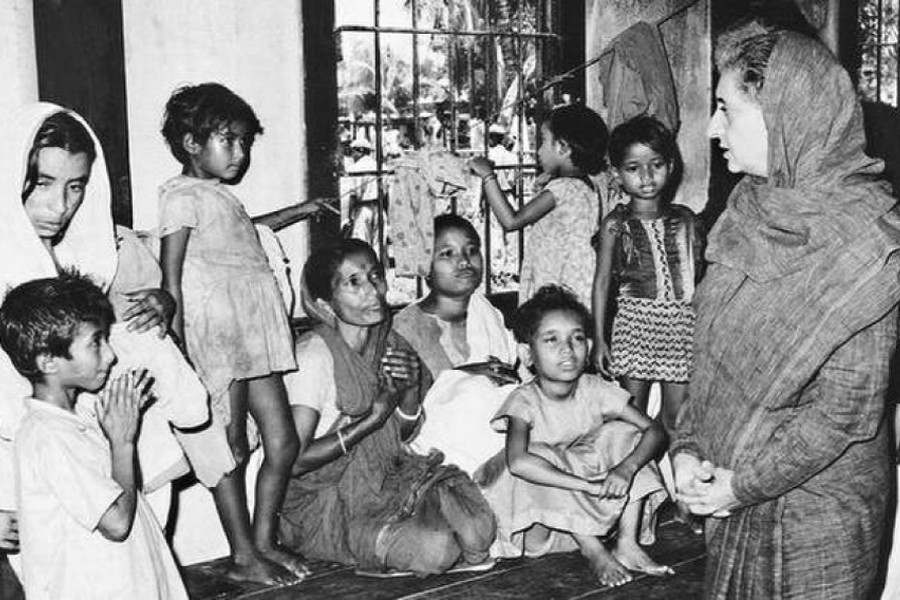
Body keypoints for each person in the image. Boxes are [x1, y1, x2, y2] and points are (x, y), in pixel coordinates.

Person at [671, 21, 900, 599]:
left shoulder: (869, 246)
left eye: (727, 110)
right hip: (733, 486)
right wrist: (688, 448)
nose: (714, 128)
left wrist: (741, 485)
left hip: (817, 514)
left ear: (786, 115)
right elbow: (710, 352)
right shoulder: (746, 210)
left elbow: (844, 413)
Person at [0, 103, 236, 587]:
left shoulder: (87, 255)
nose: (59, 206)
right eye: (42, 183)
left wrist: (159, 306)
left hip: (105, 451)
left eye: (75, 186)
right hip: (24, 472)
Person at [159, 82, 313, 584]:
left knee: (283, 441)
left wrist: (302, 211)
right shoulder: (179, 197)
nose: (240, 153)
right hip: (219, 340)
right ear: (190, 143)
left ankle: (264, 541)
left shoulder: (220, 197)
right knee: (231, 448)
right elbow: (171, 276)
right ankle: (242, 554)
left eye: (245, 142)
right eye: (229, 140)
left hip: (255, 337)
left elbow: (247, 237)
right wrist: (178, 344)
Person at [279, 239, 497, 577]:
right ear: (324, 303)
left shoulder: (389, 341)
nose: (372, 291)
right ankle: (385, 548)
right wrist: (372, 419)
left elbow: (404, 432)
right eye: (354, 283)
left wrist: (408, 395)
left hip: (386, 480)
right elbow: (291, 462)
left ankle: (401, 542)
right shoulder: (314, 356)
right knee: (437, 550)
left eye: (375, 276)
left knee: (479, 528)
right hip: (325, 504)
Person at [0, 273, 187, 600]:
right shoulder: (48, 435)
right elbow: (116, 523)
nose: (111, 355)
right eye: (95, 343)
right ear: (48, 361)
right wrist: (122, 441)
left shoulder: (76, 420)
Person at [479, 285, 669, 587]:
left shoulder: (595, 388)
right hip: (544, 525)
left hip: (599, 513)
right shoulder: (524, 400)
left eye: (577, 338)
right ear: (527, 354)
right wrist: (588, 486)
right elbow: (517, 463)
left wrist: (625, 468)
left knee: (626, 432)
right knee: (538, 455)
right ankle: (594, 552)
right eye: (551, 339)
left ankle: (628, 543)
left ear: (589, 346)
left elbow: (654, 430)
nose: (567, 350)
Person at [592, 115, 703, 431]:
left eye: (656, 164)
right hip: (634, 326)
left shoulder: (687, 221)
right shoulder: (615, 224)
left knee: (675, 417)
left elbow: (697, 280)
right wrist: (599, 339)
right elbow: (601, 283)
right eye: (633, 168)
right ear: (616, 173)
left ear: (670, 165)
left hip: (680, 327)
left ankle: (671, 476)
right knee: (633, 417)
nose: (646, 176)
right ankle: (638, 476)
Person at [394, 214, 520, 475]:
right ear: (425, 264)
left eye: (472, 250)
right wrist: (465, 374)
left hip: (501, 445)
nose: (464, 261)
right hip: (437, 457)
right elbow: (404, 416)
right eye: (447, 253)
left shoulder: (487, 312)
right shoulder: (405, 328)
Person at [469, 104, 607, 305]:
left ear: (562, 148)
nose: (539, 150)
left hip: (556, 280)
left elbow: (511, 221)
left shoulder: (562, 188)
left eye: (543, 142)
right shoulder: (588, 184)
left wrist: (488, 176)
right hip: (577, 278)